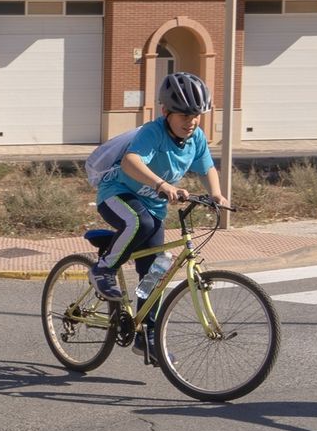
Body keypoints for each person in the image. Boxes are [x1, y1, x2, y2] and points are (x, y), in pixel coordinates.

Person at [92, 72, 227, 309]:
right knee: (139, 222)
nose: (192, 121)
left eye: (196, 115)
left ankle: (147, 336)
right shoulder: (153, 133)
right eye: (185, 115)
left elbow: (207, 169)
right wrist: (162, 185)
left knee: (154, 273)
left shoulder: (196, 138)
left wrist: (216, 194)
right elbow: (130, 161)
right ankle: (103, 270)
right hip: (117, 193)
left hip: (154, 208)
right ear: (165, 112)